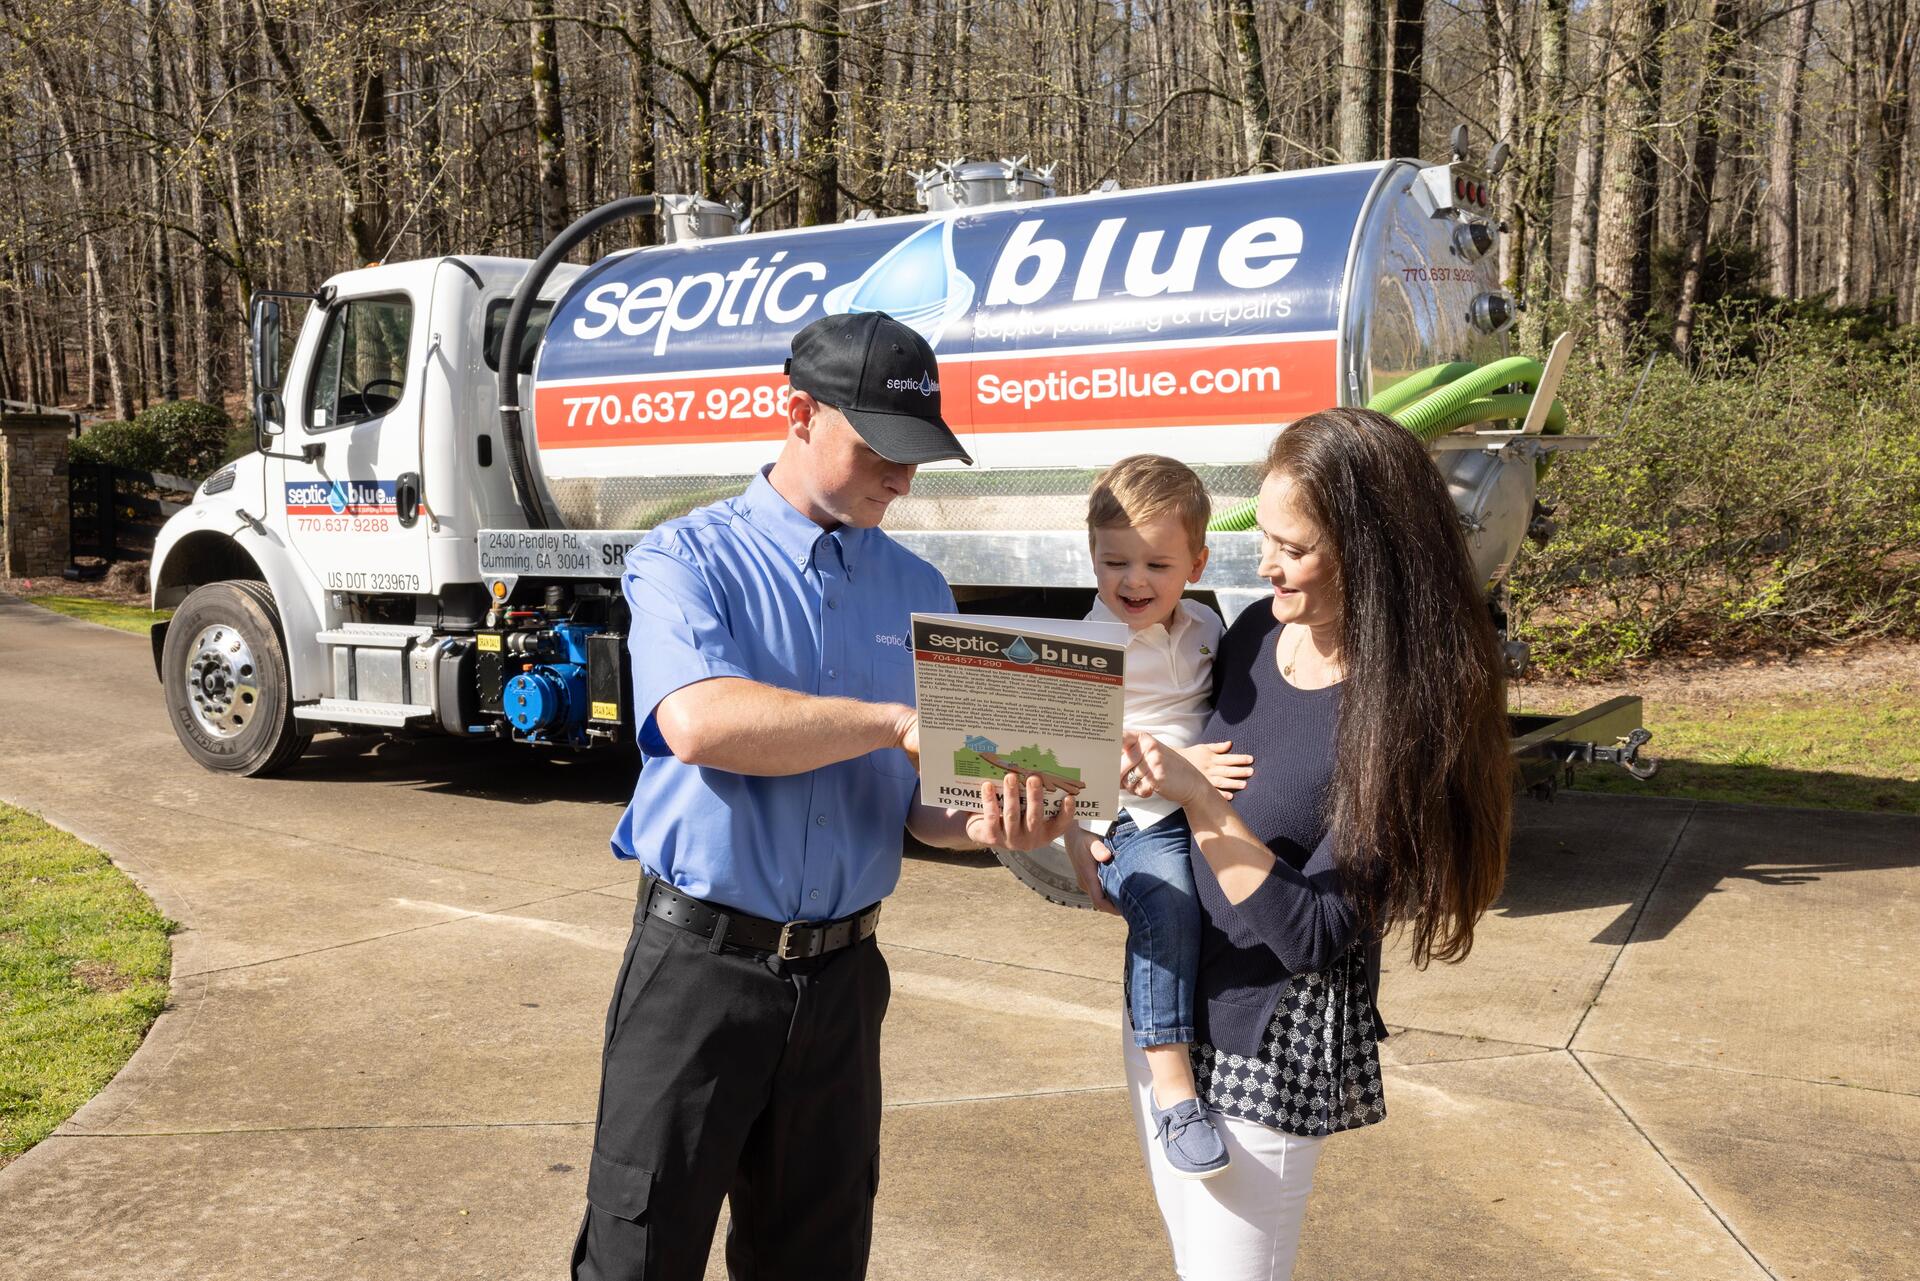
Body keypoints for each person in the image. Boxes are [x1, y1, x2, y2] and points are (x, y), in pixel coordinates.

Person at [574, 310, 1075, 1281]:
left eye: (917, 455)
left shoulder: (921, 590)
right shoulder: (685, 559)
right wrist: (889, 721)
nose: (903, 478)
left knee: (818, 1260)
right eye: (879, 448)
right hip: (698, 975)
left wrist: (994, 824)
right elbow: (699, 721)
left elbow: (924, 803)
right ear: (798, 413)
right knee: (638, 1256)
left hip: (843, 988)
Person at [1066, 406, 1513, 1280]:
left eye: (1293, 547)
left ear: (1368, 552)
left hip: (1266, 1036)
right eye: (1265, 537)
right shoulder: (1252, 635)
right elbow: (1137, 762)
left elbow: (1313, 933)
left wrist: (1197, 795)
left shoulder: (1405, 715)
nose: (1264, 564)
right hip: (1169, 1007)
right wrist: (1088, 832)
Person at [1080, 454, 1252, 1178]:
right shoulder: (1090, 648)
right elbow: (1081, 753)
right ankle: (1174, 1090)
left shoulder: (1207, 625)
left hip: (1199, 799)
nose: (1133, 581)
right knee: (1169, 905)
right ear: (1091, 555)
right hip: (1133, 819)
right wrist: (1182, 765)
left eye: (1156, 563)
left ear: (1197, 563)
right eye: (1114, 562)